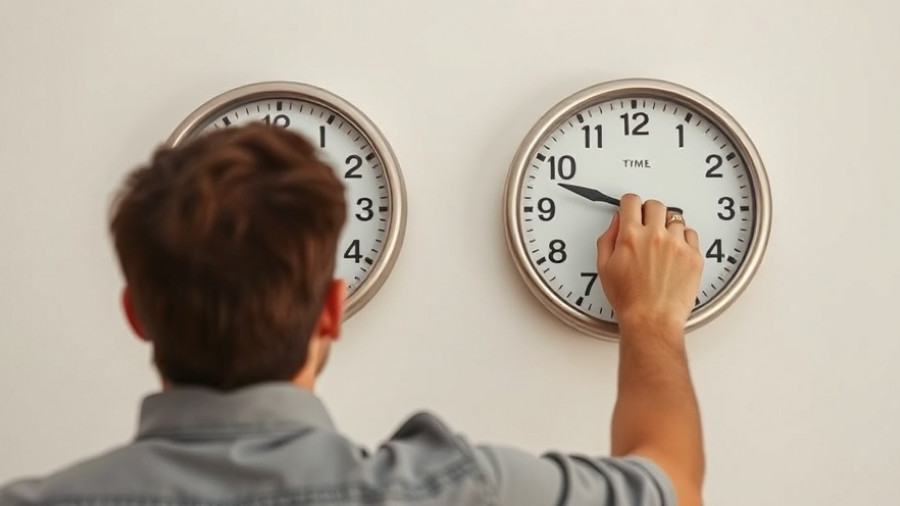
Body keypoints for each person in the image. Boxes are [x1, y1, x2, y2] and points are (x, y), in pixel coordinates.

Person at [0, 124, 705, 506]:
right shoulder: (456, 491)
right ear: (331, 311)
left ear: (136, 314)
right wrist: (650, 316)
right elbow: (674, 481)